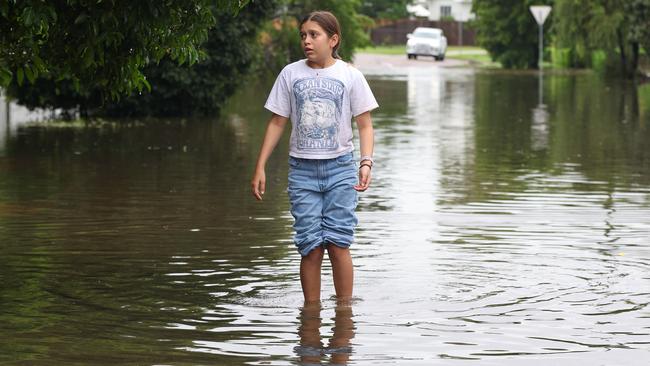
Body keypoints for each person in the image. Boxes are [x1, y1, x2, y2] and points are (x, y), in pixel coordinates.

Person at [251, 10, 378, 303]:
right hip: (302, 172)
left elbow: (365, 124)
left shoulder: (350, 75)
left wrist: (366, 162)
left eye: (314, 35)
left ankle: (344, 316)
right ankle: (311, 317)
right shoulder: (290, 74)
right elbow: (277, 122)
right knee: (309, 247)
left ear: (333, 40)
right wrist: (260, 167)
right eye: (303, 35)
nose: (306, 41)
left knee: (338, 243)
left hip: (341, 169)